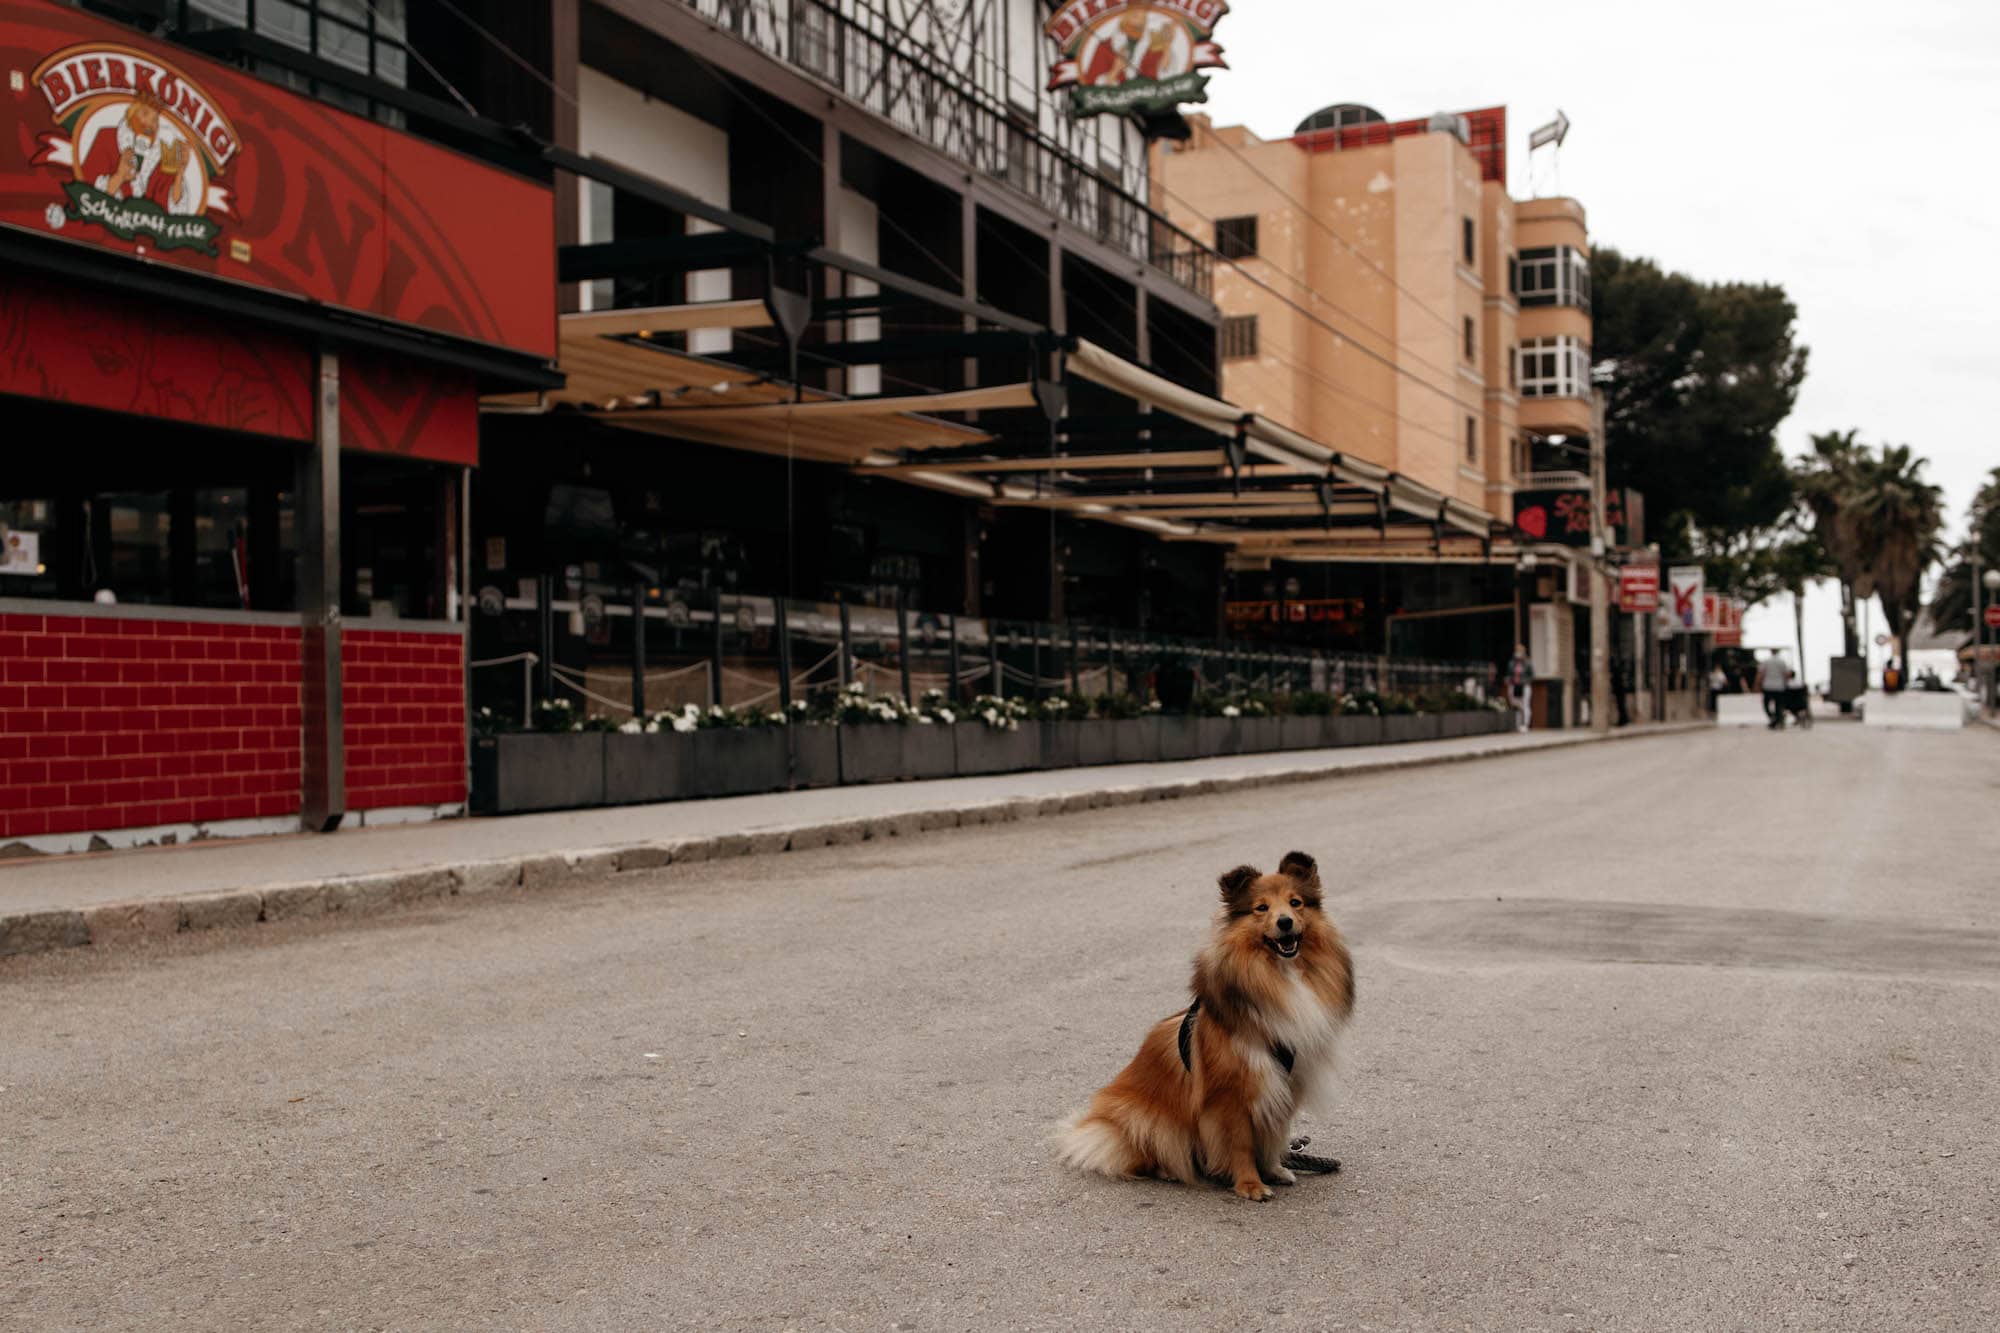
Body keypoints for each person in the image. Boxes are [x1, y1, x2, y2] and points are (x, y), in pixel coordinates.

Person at [1756, 649, 1792, 729]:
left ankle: (1773, 718)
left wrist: (1757, 685)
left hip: (1768, 686)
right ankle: (1777, 719)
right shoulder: (1782, 662)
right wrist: (1786, 684)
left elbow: (1761, 673)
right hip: (1779, 686)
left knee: (1766, 704)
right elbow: (1786, 674)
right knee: (1778, 705)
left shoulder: (1766, 661)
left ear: (1771, 652)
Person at [1507, 643, 1532, 733]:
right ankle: (1517, 724)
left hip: (1524, 686)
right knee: (1515, 705)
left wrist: (1525, 681)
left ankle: (1525, 724)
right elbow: (1509, 674)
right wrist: (1509, 680)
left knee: (1525, 705)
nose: (1518, 653)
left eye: (1520, 651)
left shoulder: (1528, 663)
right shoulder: (1512, 663)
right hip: (1514, 686)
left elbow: (1532, 675)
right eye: (1517, 651)